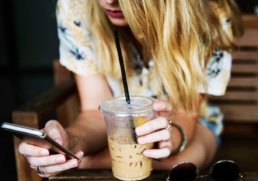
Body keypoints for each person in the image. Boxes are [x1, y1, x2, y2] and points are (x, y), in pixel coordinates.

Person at [18, 0, 243, 178]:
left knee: (176, 163)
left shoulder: (211, 12)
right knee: (142, 163)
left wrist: (169, 139)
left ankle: (84, 164)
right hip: (116, 130)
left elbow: (186, 113)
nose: (108, 1)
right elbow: (95, 114)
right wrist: (70, 143)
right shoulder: (77, 7)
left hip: (189, 122)